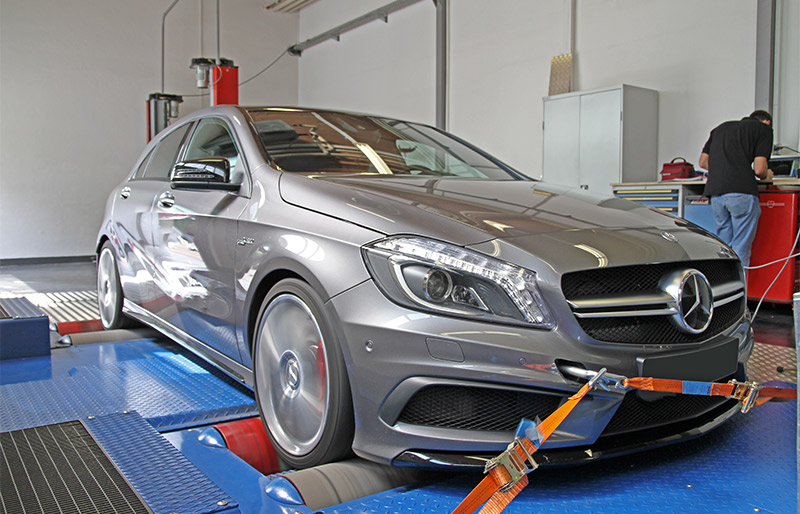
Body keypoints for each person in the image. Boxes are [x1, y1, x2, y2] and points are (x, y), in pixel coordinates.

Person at [699, 110, 774, 267]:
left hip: (716, 194)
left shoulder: (720, 129)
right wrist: (768, 174)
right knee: (740, 247)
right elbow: (760, 170)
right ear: (766, 122)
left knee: (723, 247)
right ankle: (740, 289)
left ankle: (723, 286)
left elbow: (703, 162)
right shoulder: (764, 129)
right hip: (742, 192)